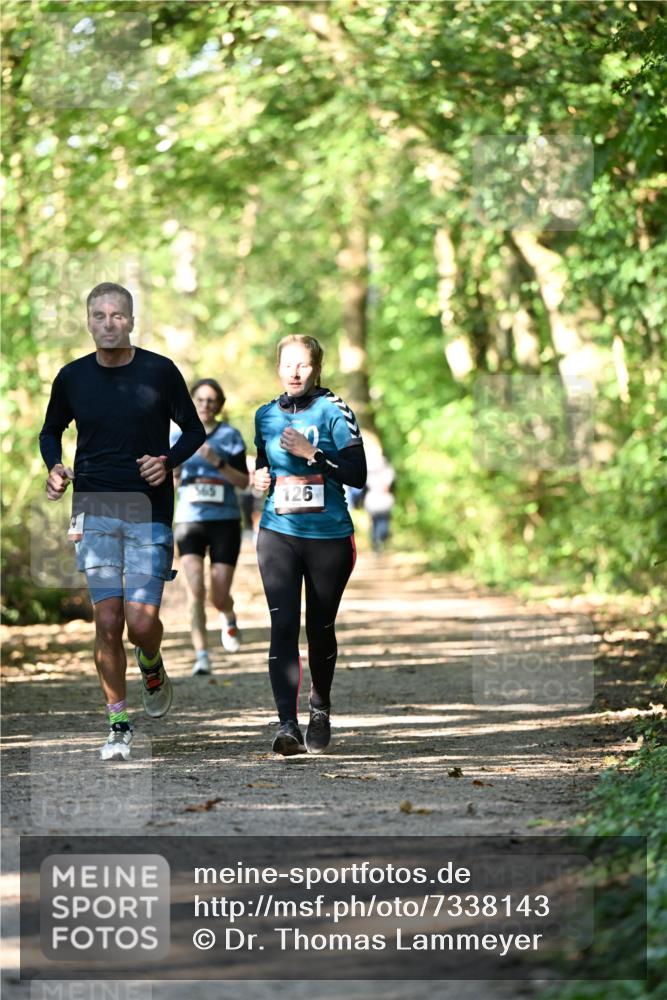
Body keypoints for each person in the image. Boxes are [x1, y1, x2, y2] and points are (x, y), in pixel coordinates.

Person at [39, 282, 205, 761]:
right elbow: (51, 431)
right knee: (108, 619)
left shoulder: (160, 371)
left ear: (131, 320)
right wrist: (55, 466)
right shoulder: (71, 377)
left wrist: (168, 460)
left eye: (117, 315)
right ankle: (118, 722)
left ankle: (150, 662)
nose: (108, 323)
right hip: (93, 507)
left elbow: (194, 430)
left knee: (140, 621)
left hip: (148, 509)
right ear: (88, 321)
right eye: (99, 315)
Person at [254, 335, 367, 756]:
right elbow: (263, 461)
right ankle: (287, 725)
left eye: (303, 365)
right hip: (278, 533)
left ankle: (320, 708)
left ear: (316, 368)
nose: (295, 372)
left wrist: (313, 453)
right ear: (278, 368)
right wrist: (260, 477)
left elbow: (357, 474)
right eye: (288, 364)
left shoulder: (335, 411)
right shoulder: (265, 415)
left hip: (328, 538)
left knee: (319, 627)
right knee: (283, 625)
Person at [171, 378, 249, 676]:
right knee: (195, 591)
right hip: (189, 520)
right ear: (192, 402)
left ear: (219, 405)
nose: (205, 405)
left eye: (211, 400)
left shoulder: (229, 436)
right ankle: (201, 655)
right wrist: (174, 471)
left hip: (224, 521)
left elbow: (244, 482)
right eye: (200, 399)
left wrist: (217, 462)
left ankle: (227, 614)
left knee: (218, 594)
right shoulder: (175, 435)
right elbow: (167, 483)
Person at [364, 448, 395, 552]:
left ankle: (377, 542)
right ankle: (378, 542)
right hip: (379, 500)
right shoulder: (387, 471)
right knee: (381, 522)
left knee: (377, 523)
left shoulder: (370, 472)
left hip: (375, 500)